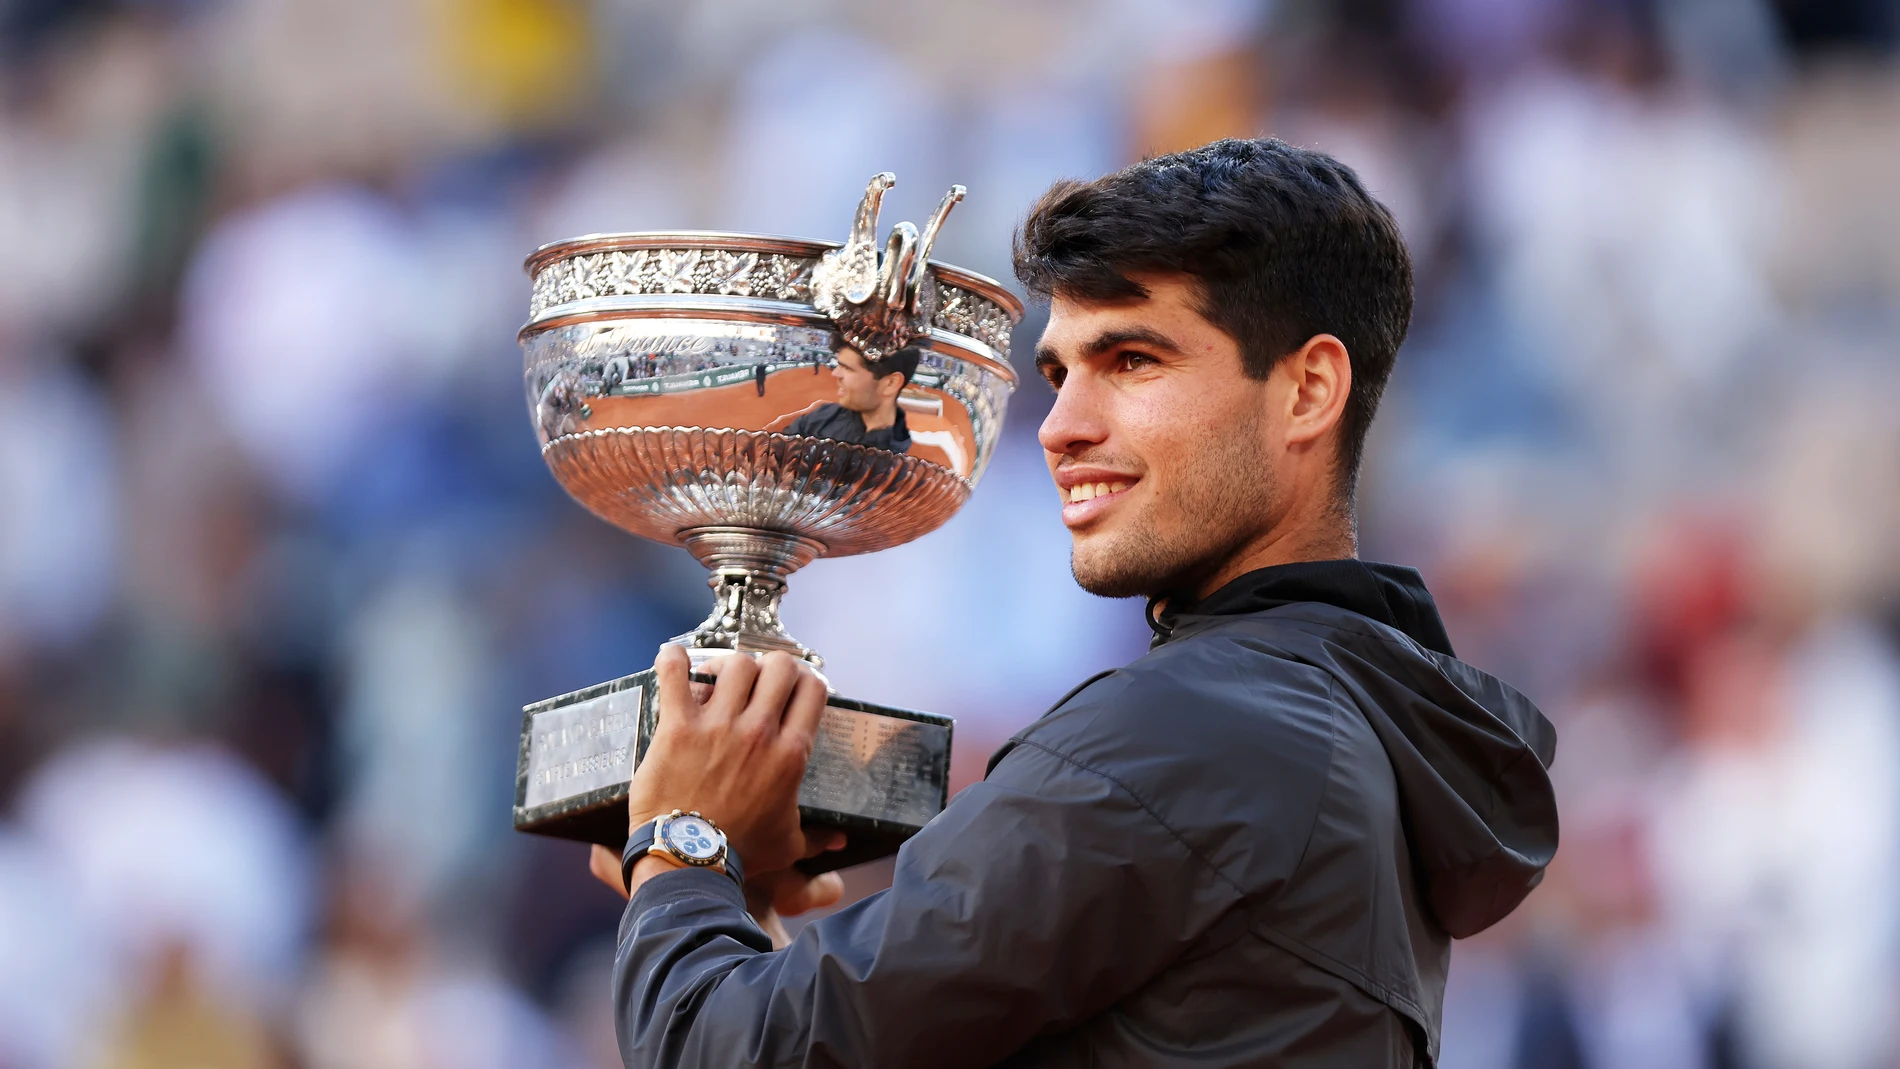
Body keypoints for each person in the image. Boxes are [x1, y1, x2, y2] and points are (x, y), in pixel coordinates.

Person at [586, 138, 1559, 1068]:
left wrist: (680, 838)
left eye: (1132, 361)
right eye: (1058, 373)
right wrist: (734, 915)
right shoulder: (1341, 721)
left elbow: (719, 1053)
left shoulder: (1193, 732)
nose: (1061, 427)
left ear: (1307, 390)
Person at [782, 345, 919, 453]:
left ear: (891, 383)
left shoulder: (893, 464)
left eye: (847, 368)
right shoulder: (826, 413)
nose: (835, 373)